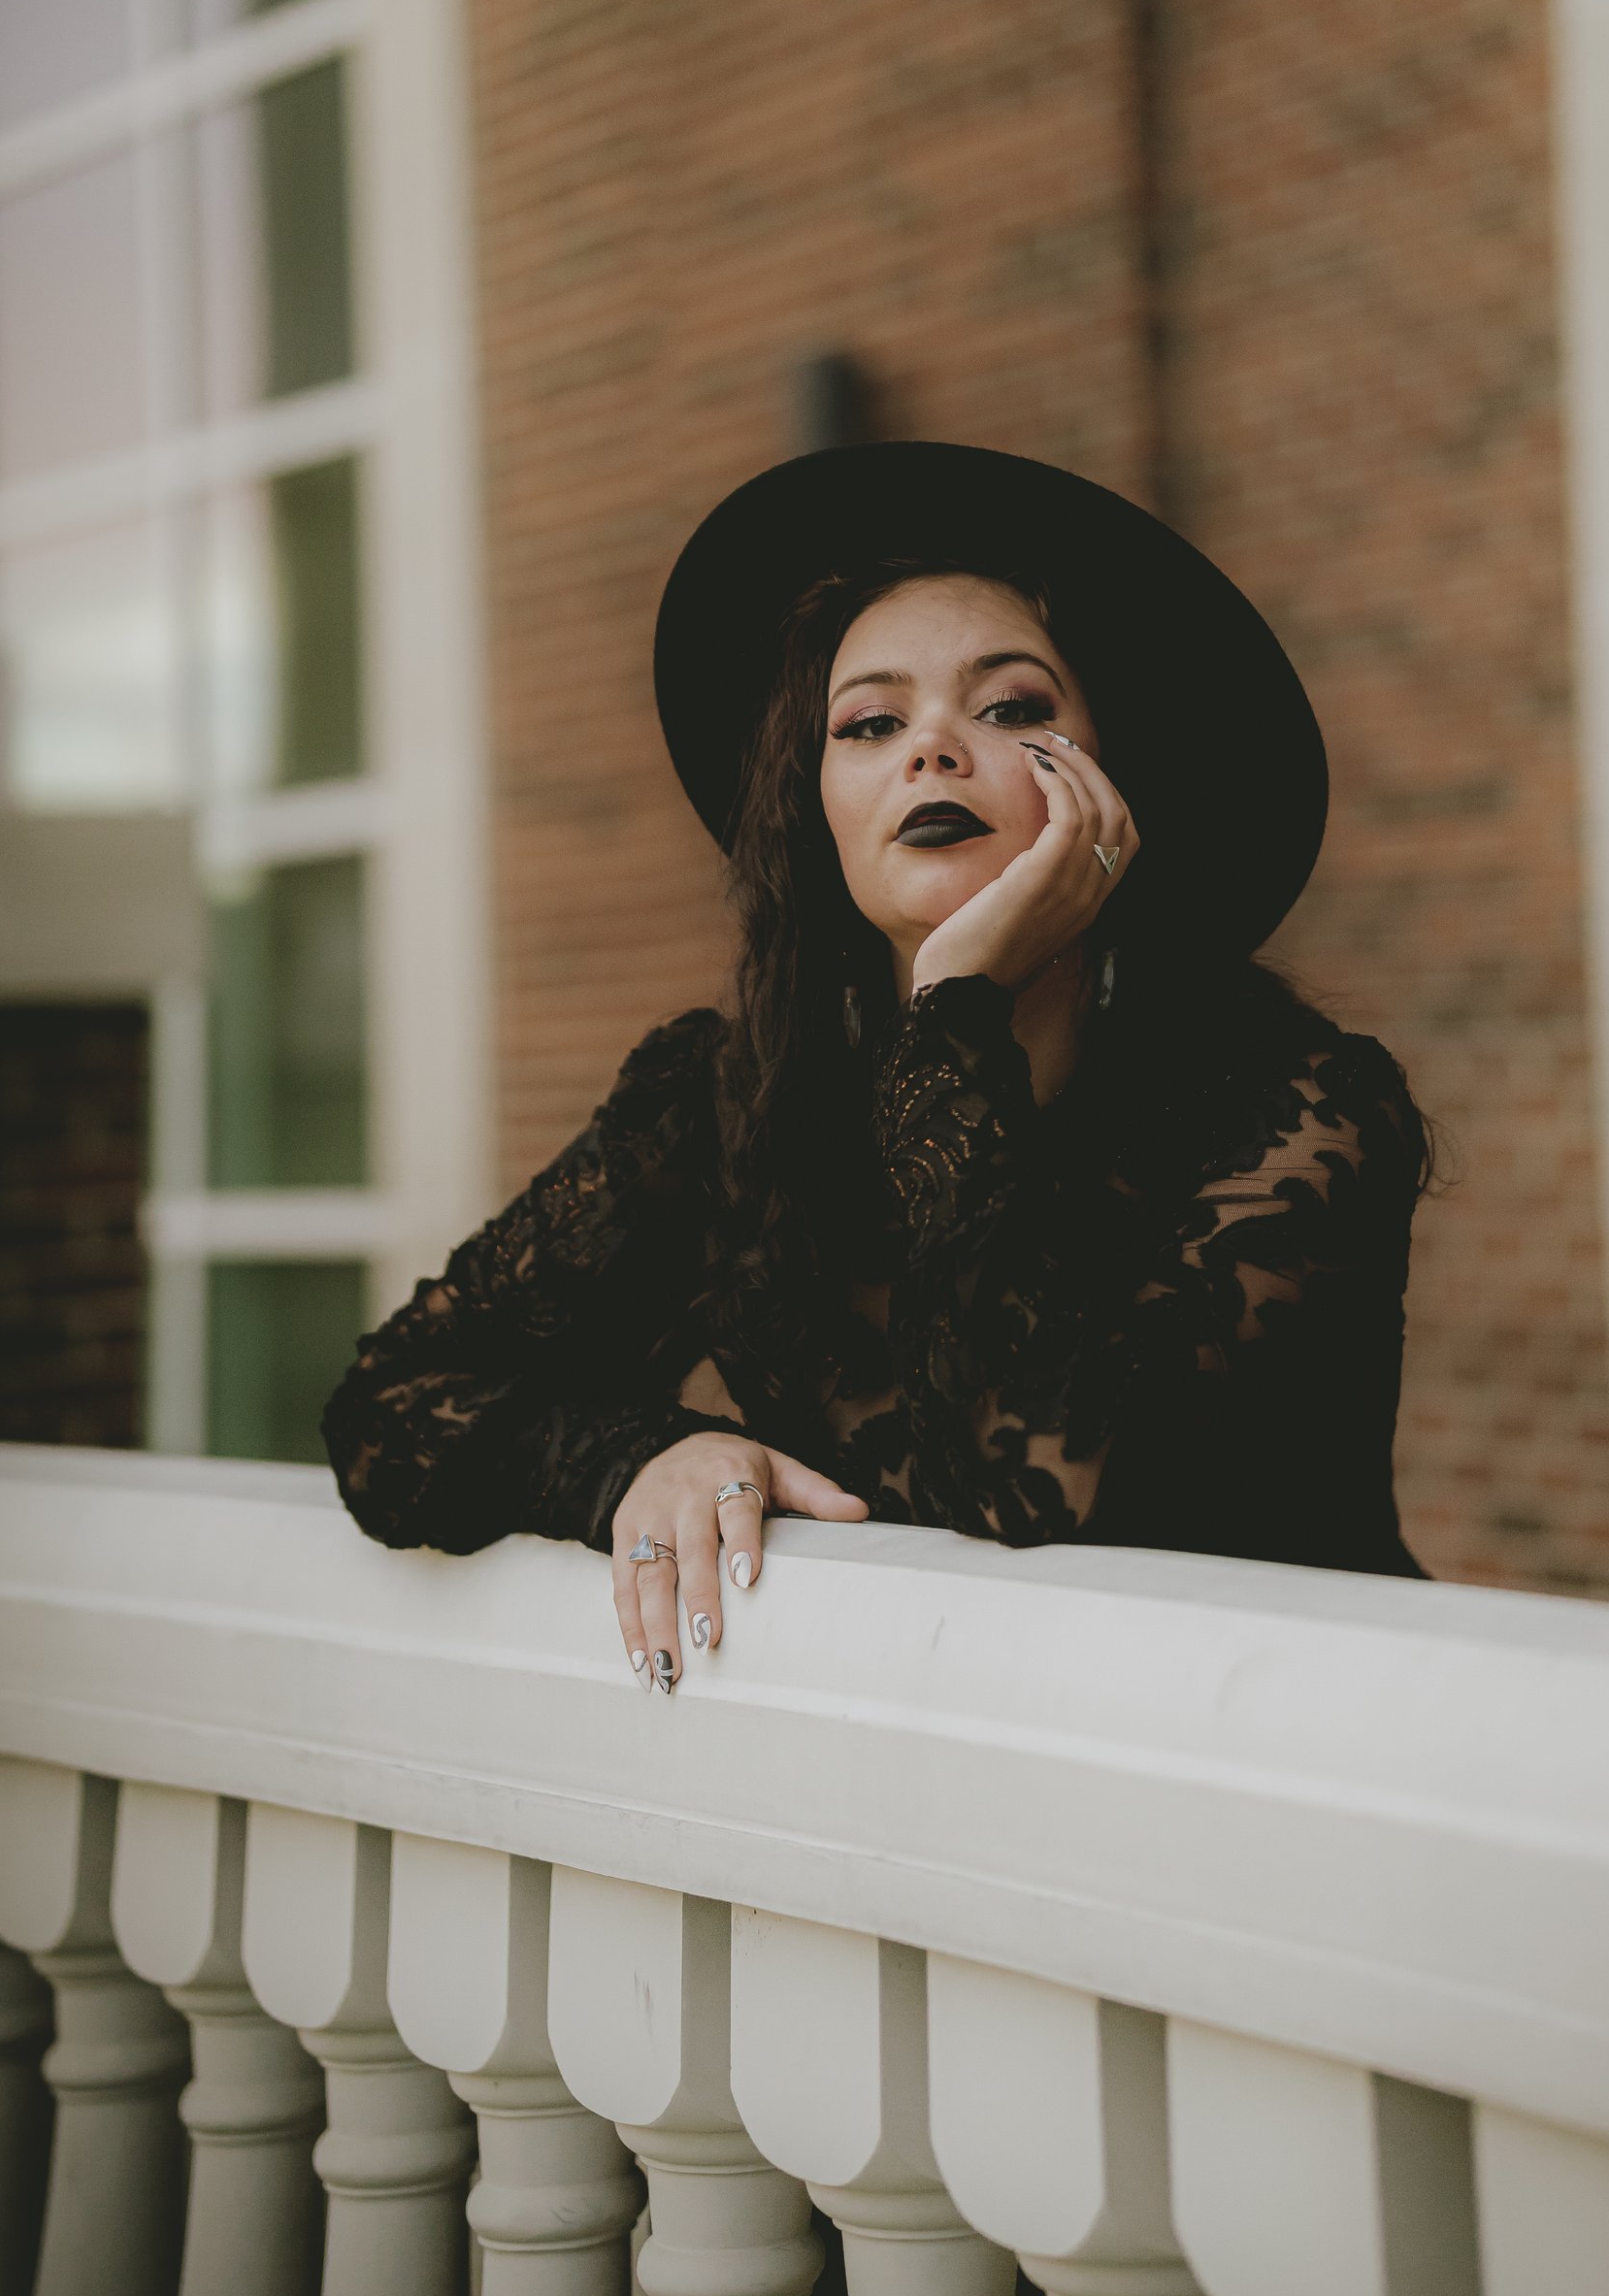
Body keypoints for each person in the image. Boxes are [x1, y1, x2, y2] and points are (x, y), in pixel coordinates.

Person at [324, 443, 1431, 1689]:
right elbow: (392, 1406)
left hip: (1285, 1774)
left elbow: (1047, 1484)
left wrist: (960, 1007)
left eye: (1012, 707)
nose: (934, 749)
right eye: (870, 721)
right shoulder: (718, 1101)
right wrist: (638, 1454)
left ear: (1113, 783)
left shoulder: (1300, 1105)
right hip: (901, 1811)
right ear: (817, 807)